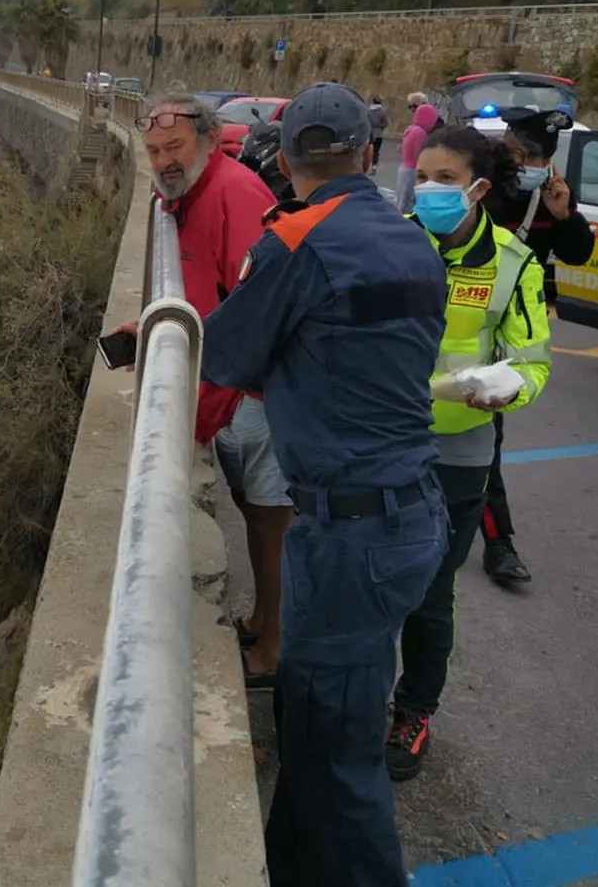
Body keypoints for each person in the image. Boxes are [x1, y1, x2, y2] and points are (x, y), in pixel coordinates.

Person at [200, 82, 450, 885]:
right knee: (314, 725)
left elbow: (228, 355)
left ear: (284, 158)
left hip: (351, 535)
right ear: (368, 155)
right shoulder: (413, 241)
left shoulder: (297, 240)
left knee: (337, 757)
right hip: (412, 515)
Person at [110, 85, 293, 690]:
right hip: (229, 389)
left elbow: (257, 305)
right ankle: (263, 619)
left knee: (272, 527)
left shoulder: (232, 194)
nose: (164, 160)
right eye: (155, 148)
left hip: (253, 395)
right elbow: (206, 290)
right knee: (254, 515)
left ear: (211, 141)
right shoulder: (185, 197)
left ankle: (273, 651)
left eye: (176, 147)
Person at [386, 126, 552, 782]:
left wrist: (505, 391)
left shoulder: (515, 264)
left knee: (429, 595)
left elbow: (533, 363)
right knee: (367, 581)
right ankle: (347, 700)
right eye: (423, 176)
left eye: (446, 180)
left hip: (459, 455)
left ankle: (414, 711)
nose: (429, 190)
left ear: (479, 189)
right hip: (385, 442)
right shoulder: (393, 243)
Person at [478, 107, 595, 585]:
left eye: (538, 158)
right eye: (522, 155)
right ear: (508, 150)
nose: (531, 165)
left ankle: (498, 542)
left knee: (485, 436)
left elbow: (578, 253)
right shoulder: (480, 188)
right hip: (457, 318)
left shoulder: (550, 198)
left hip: (506, 333)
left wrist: (564, 216)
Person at [397, 97, 438, 215]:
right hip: (412, 170)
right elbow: (418, 154)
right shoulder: (420, 133)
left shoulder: (411, 129)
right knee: (409, 200)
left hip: (404, 167)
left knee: (402, 198)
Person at [367, 95, 390, 173]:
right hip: (378, 134)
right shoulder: (383, 111)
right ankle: (374, 166)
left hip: (368, 133)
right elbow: (386, 123)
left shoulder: (367, 110)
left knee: (366, 150)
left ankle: (365, 165)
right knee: (376, 151)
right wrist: (380, 126)